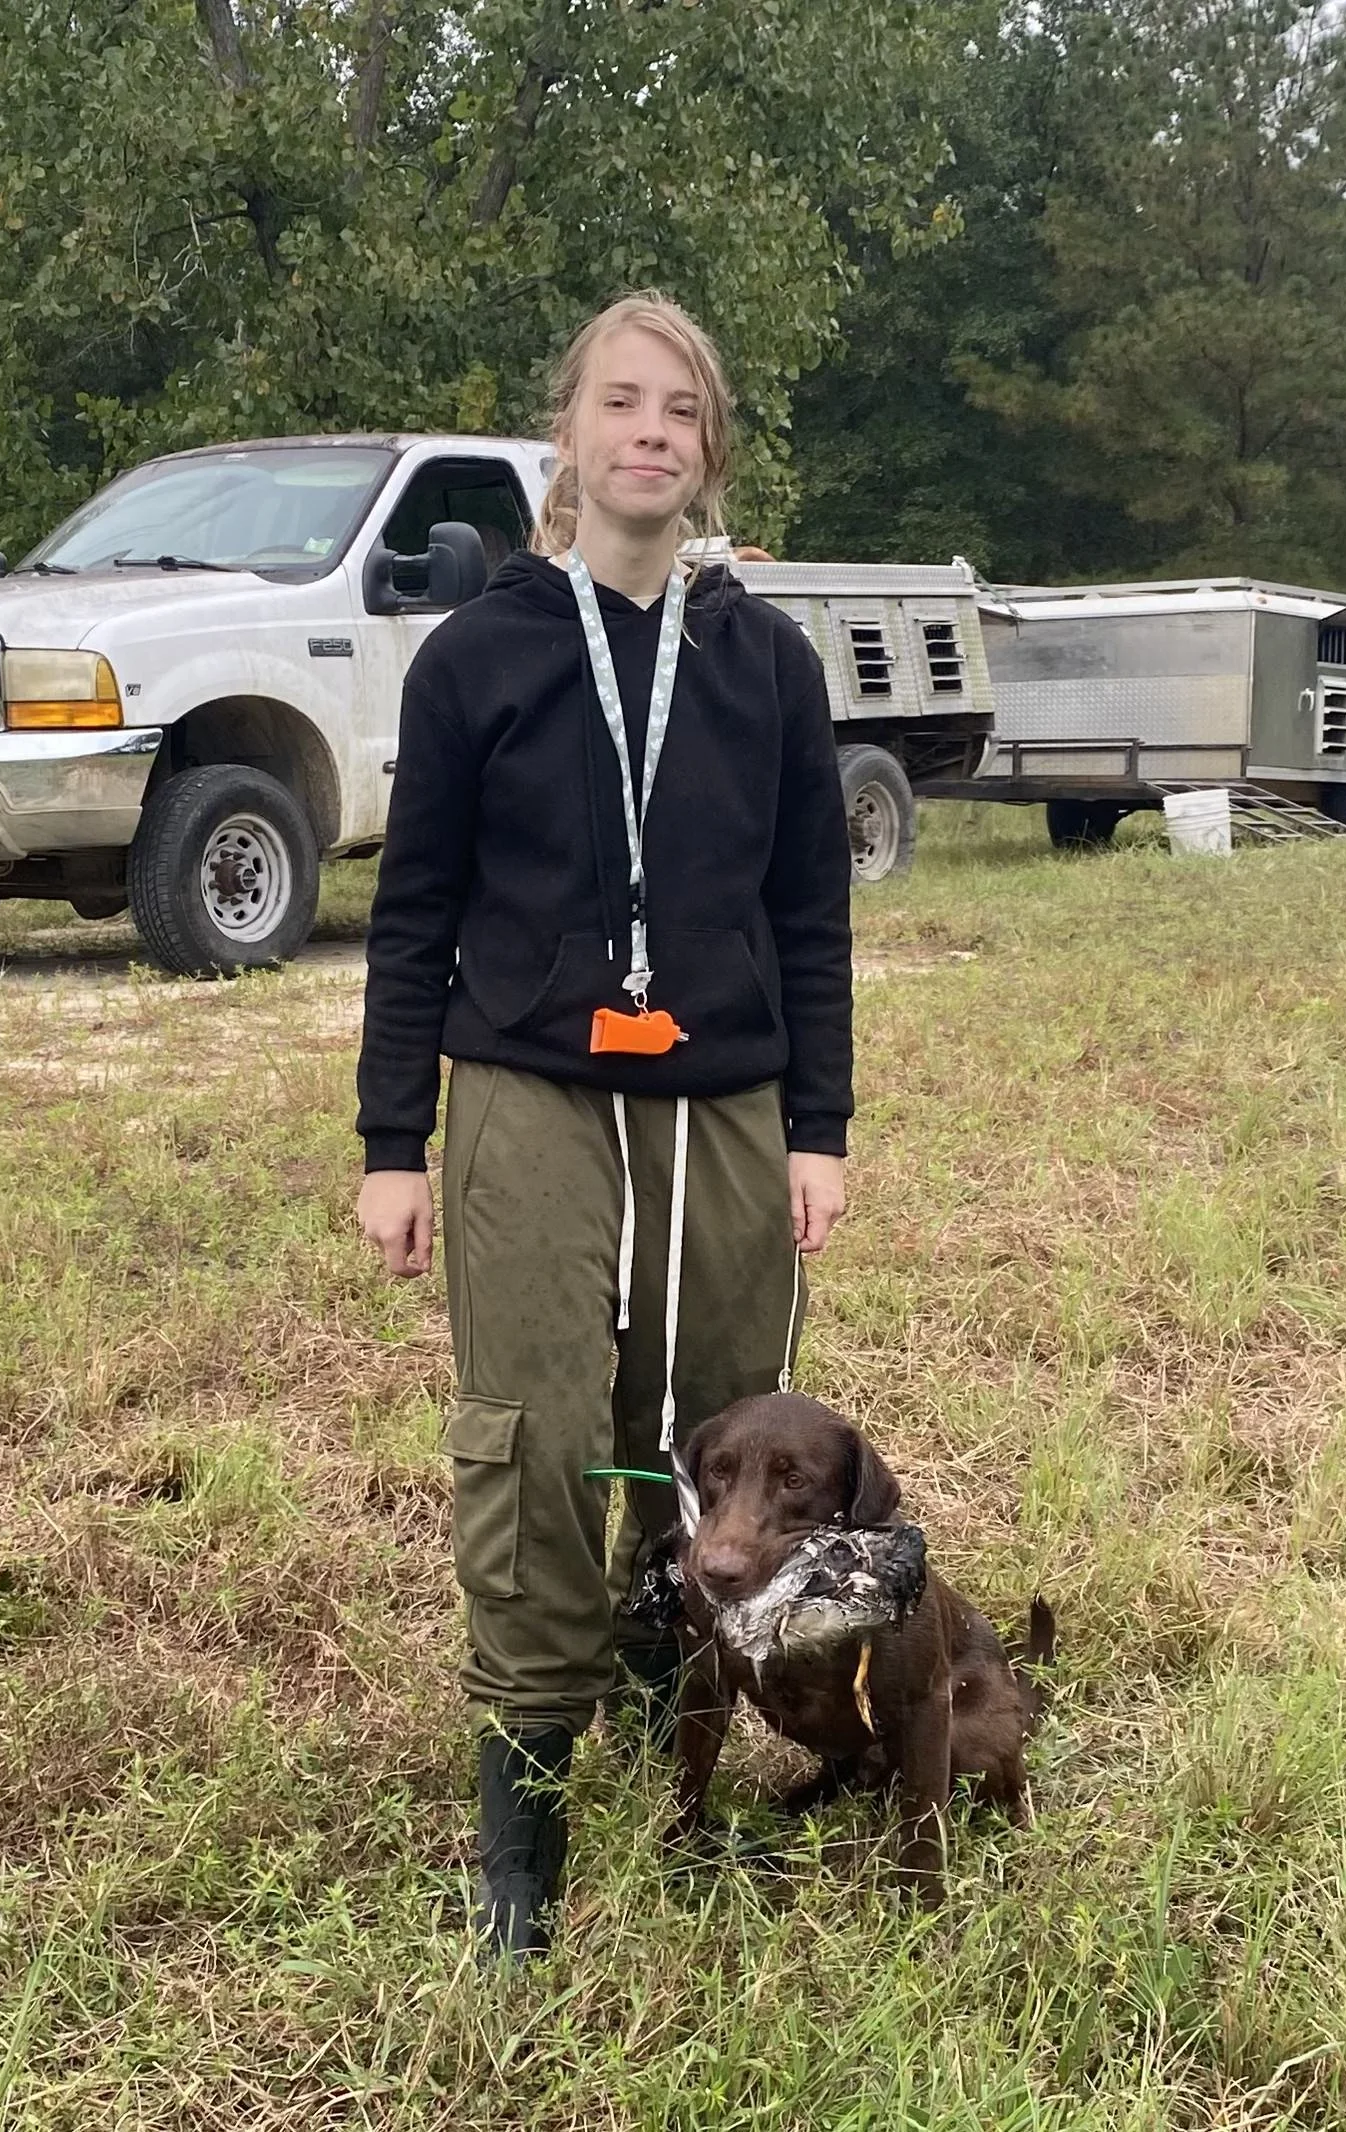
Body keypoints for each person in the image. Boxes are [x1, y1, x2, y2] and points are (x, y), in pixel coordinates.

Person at [355, 291, 854, 1961]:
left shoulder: (763, 664)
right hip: (528, 1092)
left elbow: (809, 915)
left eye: (681, 411)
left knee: (712, 1439)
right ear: (565, 435)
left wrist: (819, 1124)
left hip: (723, 1104)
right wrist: (391, 1144)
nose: (651, 433)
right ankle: (524, 1829)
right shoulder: (480, 655)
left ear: (709, 452)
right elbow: (413, 915)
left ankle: (680, 1732)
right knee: (537, 1434)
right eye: (622, 403)